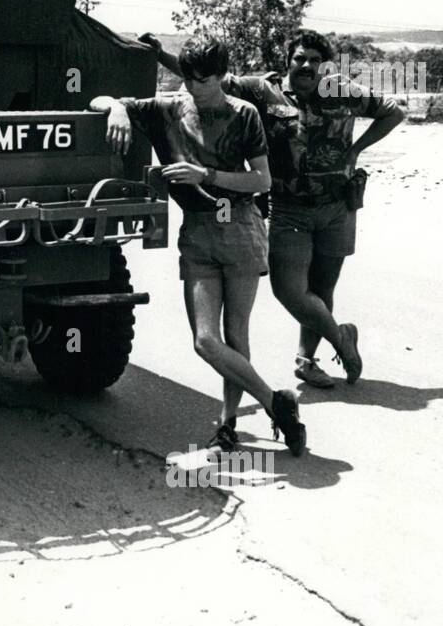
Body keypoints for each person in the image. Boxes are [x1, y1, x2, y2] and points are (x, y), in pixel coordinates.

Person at [140, 29, 405, 387]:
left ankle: (306, 361)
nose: (307, 66)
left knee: (322, 287)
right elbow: (208, 74)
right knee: (289, 290)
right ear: (288, 60)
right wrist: (160, 54)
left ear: (325, 65)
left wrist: (357, 149)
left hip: (338, 205)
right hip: (288, 206)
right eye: (300, 58)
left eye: (315, 60)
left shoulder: (342, 90)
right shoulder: (265, 90)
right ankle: (341, 338)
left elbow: (393, 112)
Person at [91, 37, 307, 456]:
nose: (193, 87)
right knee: (206, 341)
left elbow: (261, 181)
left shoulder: (243, 114)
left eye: (203, 80)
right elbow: (98, 99)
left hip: (240, 224)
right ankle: (275, 401)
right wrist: (117, 107)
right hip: (198, 231)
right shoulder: (169, 107)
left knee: (235, 334)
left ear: (223, 75)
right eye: (187, 78)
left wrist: (204, 174)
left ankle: (227, 426)